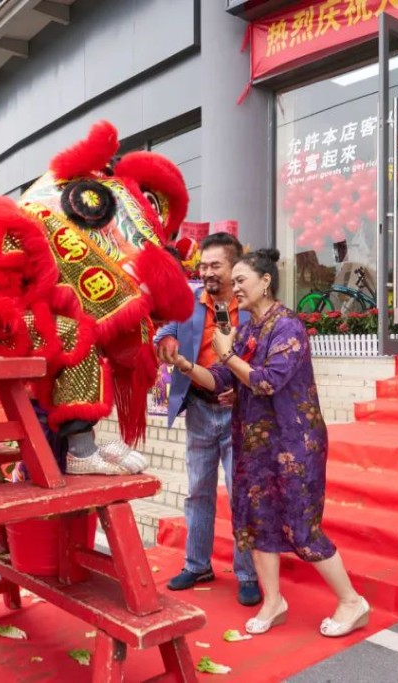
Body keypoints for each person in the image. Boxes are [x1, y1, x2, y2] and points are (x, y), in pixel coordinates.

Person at [172, 249, 368, 637]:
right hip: (255, 443)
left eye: (241, 280)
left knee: (301, 527)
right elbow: (223, 380)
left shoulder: (288, 327)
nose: (235, 287)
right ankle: (273, 601)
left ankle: (352, 601)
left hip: (295, 444)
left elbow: (265, 381)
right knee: (257, 522)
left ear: (266, 281)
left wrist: (226, 353)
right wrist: (186, 367)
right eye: (235, 282)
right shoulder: (247, 329)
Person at [155, 232, 260, 606]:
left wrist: (245, 390)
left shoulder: (252, 306)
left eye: (216, 265)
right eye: (203, 265)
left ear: (236, 267)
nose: (207, 272)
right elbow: (168, 326)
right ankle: (197, 564)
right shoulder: (189, 299)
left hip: (241, 414)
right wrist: (165, 341)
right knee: (198, 491)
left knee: (241, 494)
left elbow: (266, 360)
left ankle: (248, 573)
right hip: (199, 407)